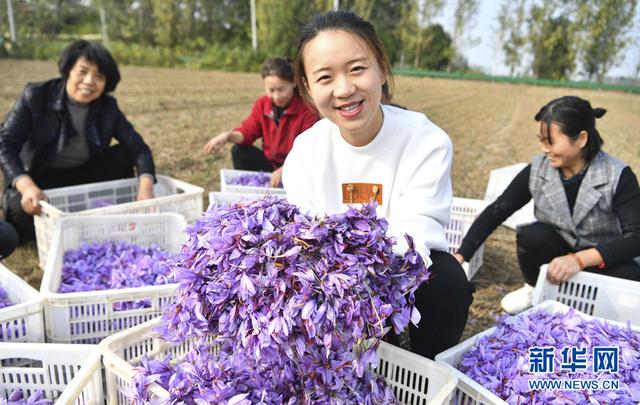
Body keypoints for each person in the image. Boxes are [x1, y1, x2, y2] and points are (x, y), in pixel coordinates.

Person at [282, 10, 474, 360]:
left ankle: (425, 366)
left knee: (446, 280)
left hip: (398, 272)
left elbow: (417, 234)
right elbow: (306, 237)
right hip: (333, 283)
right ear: (308, 89)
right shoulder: (306, 152)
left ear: (382, 69)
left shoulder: (424, 140)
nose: (344, 89)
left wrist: (363, 279)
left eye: (357, 69)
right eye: (325, 77)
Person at [454, 96, 640, 314]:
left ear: (581, 139)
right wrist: (460, 256)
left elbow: (636, 238)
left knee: (629, 276)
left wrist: (579, 260)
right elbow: (497, 210)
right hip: (558, 253)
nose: (544, 149)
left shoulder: (617, 175)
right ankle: (534, 287)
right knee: (533, 235)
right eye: (541, 140)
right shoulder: (539, 169)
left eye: (550, 141)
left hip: (601, 258)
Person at [0, 40, 156, 244]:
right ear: (69, 70)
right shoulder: (36, 96)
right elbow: (5, 143)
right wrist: (26, 185)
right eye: (82, 71)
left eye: (99, 76)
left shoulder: (107, 107)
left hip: (83, 174)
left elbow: (139, 149)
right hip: (40, 179)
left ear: (106, 83)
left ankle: (95, 217)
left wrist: (146, 190)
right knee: (19, 210)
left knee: (122, 155)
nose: (89, 81)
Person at [203, 58, 319, 188]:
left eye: (281, 89)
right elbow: (248, 132)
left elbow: (309, 150)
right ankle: (249, 192)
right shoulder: (263, 104)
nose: (276, 96)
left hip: (298, 168)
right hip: (271, 167)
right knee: (239, 151)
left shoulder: (307, 110)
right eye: (271, 90)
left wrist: (286, 168)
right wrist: (228, 136)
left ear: (293, 82)